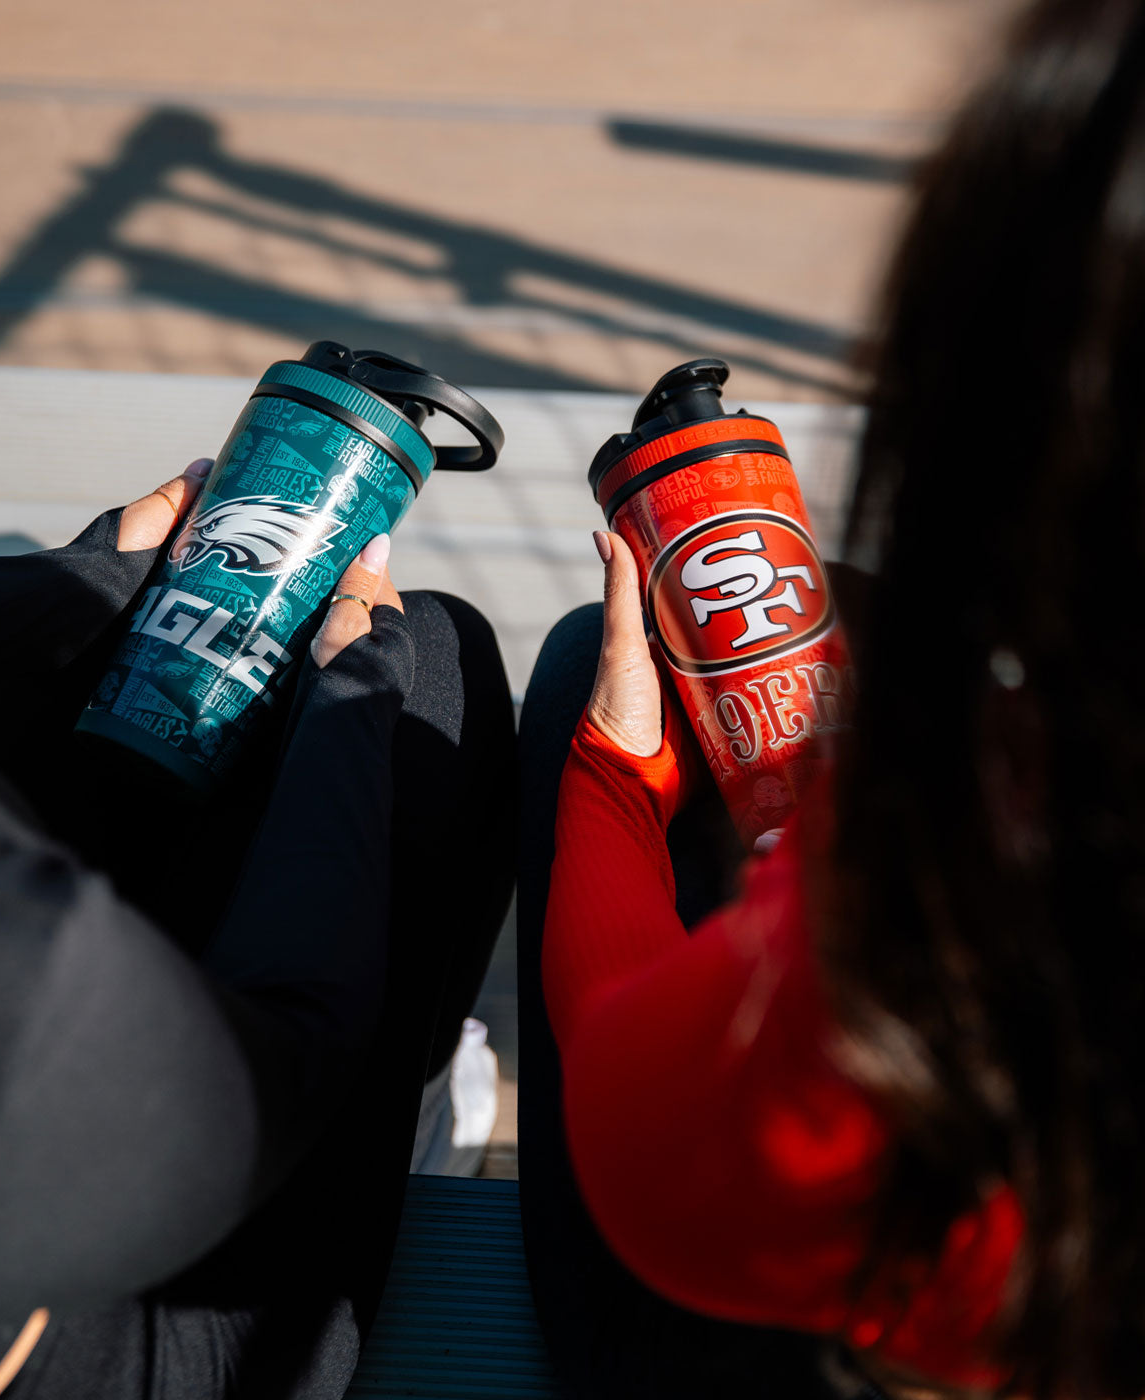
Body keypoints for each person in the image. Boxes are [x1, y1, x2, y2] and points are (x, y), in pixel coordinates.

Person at [517, 0, 1145, 1395]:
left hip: (863, 1284)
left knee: (585, 663)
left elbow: (629, 1082)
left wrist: (618, 777)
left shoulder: (902, 1009)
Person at [0, 462, 516, 1399]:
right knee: (435, 665)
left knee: (132, 672)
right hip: (117, 1345)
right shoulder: (15, 982)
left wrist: (67, 588)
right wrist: (352, 706)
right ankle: (417, 1115)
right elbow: (289, 1051)